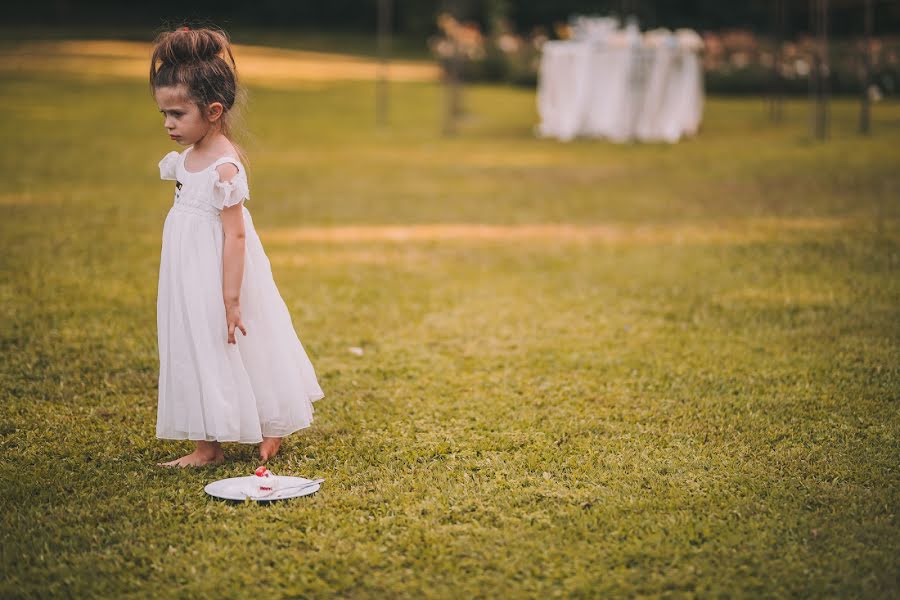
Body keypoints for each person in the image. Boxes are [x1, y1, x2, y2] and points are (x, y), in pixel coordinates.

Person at [150, 26, 324, 467]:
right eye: (164, 114)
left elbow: (235, 234)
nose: (168, 124)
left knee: (235, 341)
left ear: (212, 111)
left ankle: (272, 425)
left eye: (176, 113)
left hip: (224, 272)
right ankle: (207, 446)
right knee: (195, 344)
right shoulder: (187, 158)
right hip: (188, 271)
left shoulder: (224, 167)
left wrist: (230, 297)